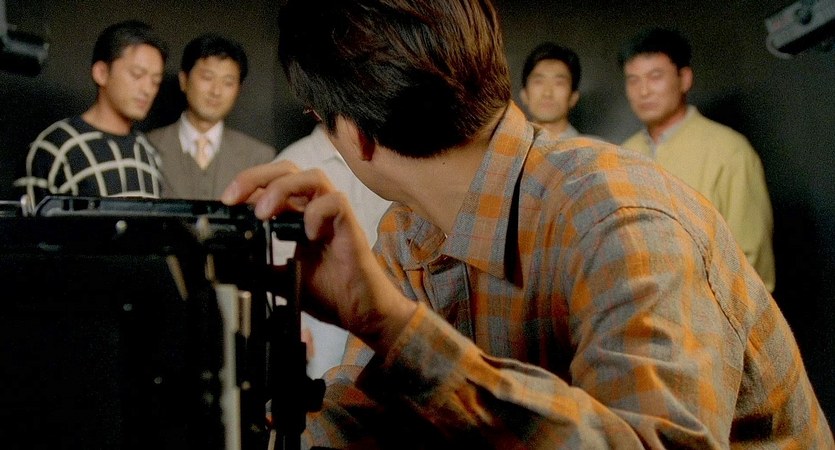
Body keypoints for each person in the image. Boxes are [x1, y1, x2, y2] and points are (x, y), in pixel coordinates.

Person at [222, 0, 833, 448]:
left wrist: (395, 327)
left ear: (355, 133)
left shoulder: (621, 217)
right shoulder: (405, 237)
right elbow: (368, 419)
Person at [619, 27, 776, 292]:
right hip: (635, 311)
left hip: (708, 314)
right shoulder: (621, 155)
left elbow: (752, 261)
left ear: (684, 79)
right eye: (633, 80)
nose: (643, 91)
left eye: (655, 76)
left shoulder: (729, 150)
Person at [274, 123, 391, 379]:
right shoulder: (294, 160)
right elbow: (275, 254)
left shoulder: (386, 156)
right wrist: (293, 324)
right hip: (323, 320)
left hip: (386, 307)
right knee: (331, 390)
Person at [14, 20, 167, 205]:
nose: (147, 89)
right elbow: (26, 220)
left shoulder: (148, 151)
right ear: (101, 73)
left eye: (156, 81)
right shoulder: (56, 148)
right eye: (137, 74)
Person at [147, 33, 276, 200]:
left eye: (228, 82)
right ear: (184, 80)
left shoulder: (259, 158)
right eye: (207, 77)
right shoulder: (147, 148)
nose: (216, 91)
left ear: (239, 89)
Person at [519, 42, 583, 139]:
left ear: (574, 97)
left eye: (559, 83)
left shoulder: (595, 147)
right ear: (524, 95)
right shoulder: (505, 146)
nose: (547, 93)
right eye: (538, 82)